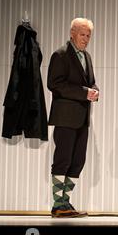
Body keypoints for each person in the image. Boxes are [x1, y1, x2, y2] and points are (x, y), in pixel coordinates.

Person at [47, 17, 99, 218]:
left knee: (78, 161)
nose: (86, 39)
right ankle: (57, 205)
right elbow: (55, 84)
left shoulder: (87, 56)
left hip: (82, 118)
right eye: (82, 34)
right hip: (65, 117)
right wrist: (83, 92)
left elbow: (91, 82)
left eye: (88, 35)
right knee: (63, 159)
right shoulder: (60, 55)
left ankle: (65, 203)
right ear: (72, 33)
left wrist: (94, 92)